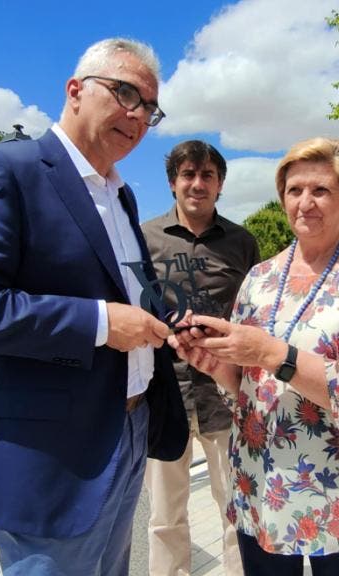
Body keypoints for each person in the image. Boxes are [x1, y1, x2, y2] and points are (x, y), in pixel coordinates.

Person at [0, 38, 187, 576]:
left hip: (127, 430)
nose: (138, 115)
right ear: (75, 90)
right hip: (49, 457)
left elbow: (119, 289)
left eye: (150, 108)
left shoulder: (121, 194)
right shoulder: (4, 167)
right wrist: (100, 322)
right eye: (125, 93)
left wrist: (168, 325)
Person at [170, 137, 339, 575]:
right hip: (262, 484)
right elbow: (248, 385)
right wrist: (216, 366)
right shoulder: (260, 277)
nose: (304, 203)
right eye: (294, 190)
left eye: (321, 190)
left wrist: (273, 353)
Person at [141, 140, 258, 576]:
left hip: (224, 394)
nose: (197, 184)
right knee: (164, 514)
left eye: (207, 175)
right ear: (173, 182)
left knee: (236, 506)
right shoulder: (144, 238)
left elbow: (256, 314)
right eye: (188, 174)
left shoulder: (242, 243)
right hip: (163, 393)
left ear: (220, 184)